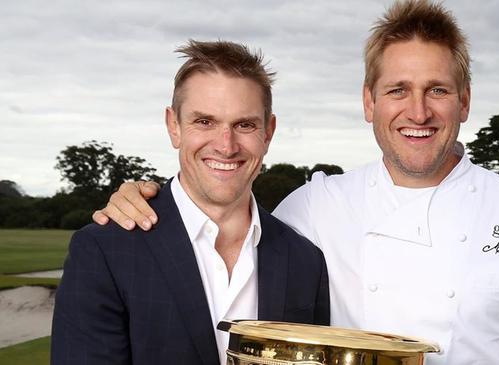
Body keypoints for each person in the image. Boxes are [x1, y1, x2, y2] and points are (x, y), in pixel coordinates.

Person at [92, 1, 499, 364]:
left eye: (437, 90)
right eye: (397, 90)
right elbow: (221, 207)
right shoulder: (314, 206)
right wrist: (142, 195)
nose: (417, 111)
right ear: (368, 102)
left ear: (464, 101)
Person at [52, 40, 329, 365]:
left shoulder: (305, 260)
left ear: (268, 132)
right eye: (205, 122)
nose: (226, 146)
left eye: (244, 125)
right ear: (174, 126)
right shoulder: (104, 251)